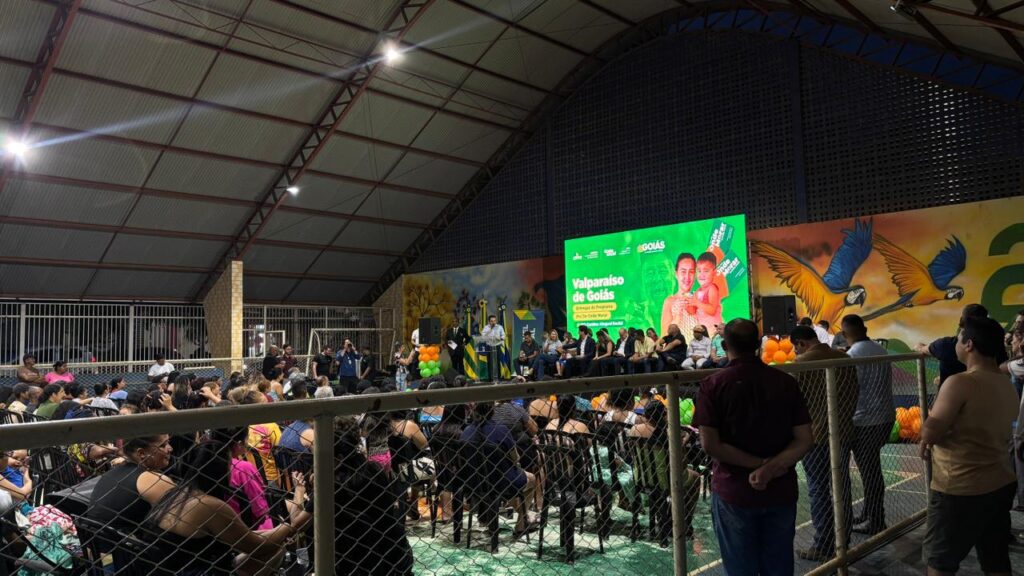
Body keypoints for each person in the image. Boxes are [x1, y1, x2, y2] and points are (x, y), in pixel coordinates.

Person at [692, 318, 813, 576]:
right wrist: (770, 468)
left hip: (733, 491)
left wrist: (758, 466)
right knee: (779, 566)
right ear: (759, 344)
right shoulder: (785, 382)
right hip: (780, 489)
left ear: (725, 346)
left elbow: (710, 444)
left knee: (739, 568)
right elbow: (804, 439)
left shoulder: (712, 385)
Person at [920, 317, 1016, 576]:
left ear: (969, 344)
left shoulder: (960, 382)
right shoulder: (1005, 382)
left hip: (961, 487)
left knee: (940, 562)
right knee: (995, 558)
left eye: (958, 338)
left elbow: (931, 430)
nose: (955, 344)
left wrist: (927, 428)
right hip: (1000, 483)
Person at [790, 325, 858, 561]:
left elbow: (794, 401)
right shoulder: (844, 358)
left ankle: (823, 544)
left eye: (796, 347)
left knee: (818, 489)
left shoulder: (801, 363)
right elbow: (854, 392)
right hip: (843, 430)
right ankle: (843, 540)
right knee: (841, 486)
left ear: (801, 343)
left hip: (816, 435)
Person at [333, 420, 415, 575]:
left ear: (338, 458)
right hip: (395, 552)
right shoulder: (373, 471)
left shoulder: (334, 485)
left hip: (362, 559)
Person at [842, 314, 895, 535]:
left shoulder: (852, 355)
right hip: (885, 416)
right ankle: (869, 513)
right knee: (871, 470)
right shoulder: (880, 349)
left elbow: (849, 389)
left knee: (870, 472)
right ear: (864, 329)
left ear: (844, 334)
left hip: (865, 420)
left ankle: (876, 519)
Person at [915, 304, 1006, 387]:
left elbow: (922, 348)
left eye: (960, 339)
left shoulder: (946, 345)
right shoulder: (996, 348)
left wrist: (920, 346)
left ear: (968, 345)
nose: (958, 343)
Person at [661, 252, 701, 338]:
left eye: (691, 272)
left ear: (695, 275)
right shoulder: (669, 301)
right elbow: (664, 336)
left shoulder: (701, 298)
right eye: (683, 272)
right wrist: (677, 317)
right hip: (679, 346)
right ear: (676, 273)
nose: (687, 276)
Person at [694, 251, 724, 328]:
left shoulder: (712, 288)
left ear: (714, 273)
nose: (701, 274)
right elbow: (693, 310)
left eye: (706, 271)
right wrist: (688, 304)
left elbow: (712, 310)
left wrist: (697, 303)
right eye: (699, 271)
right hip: (703, 328)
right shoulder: (697, 291)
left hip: (714, 327)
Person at [481, 315, 506, 381]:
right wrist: (490, 329)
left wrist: (500, 338)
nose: (493, 322)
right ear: (489, 322)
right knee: (490, 362)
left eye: (494, 321)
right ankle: (490, 378)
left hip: (497, 346)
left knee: (498, 362)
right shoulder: (486, 327)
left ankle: (498, 377)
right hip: (489, 346)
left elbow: (503, 336)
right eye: (492, 321)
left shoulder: (500, 327)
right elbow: (483, 336)